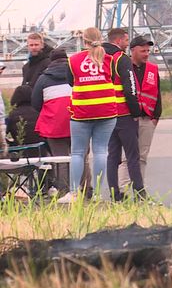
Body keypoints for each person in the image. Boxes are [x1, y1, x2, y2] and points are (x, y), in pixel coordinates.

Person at [59, 27, 117, 203]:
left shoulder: (74, 60)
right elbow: (113, 79)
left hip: (82, 112)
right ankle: (98, 193)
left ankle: (74, 193)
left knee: (77, 152)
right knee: (101, 151)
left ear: (83, 41)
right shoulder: (109, 59)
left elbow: (71, 82)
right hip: (107, 110)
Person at [32, 48, 91, 194]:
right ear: (67, 59)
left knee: (61, 160)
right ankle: (85, 190)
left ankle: (65, 191)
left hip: (54, 125)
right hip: (79, 120)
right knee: (81, 157)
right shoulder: (77, 74)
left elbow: (35, 103)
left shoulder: (43, 79)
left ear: (51, 61)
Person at [102, 28, 145, 201]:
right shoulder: (121, 59)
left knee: (113, 156)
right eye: (126, 41)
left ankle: (115, 195)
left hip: (106, 115)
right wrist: (136, 112)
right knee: (133, 157)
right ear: (119, 41)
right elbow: (130, 88)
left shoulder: (99, 58)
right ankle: (140, 194)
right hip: (124, 114)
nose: (127, 44)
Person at [118, 35, 161, 191]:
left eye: (148, 51)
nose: (146, 54)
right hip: (128, 117)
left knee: (142, 156)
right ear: (133, 50)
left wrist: (156, 116)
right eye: (143, 51)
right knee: (126, 157)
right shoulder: (124, 66)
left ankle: (140, 189)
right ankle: (123, 190)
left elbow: (157, 93)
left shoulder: (152, 69)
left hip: (147, 118)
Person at [6, 85, 48, 158]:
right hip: (40, 152)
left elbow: (4, 133)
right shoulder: (39, 113)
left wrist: (11, 144)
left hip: (21, 152)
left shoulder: (12, 115)